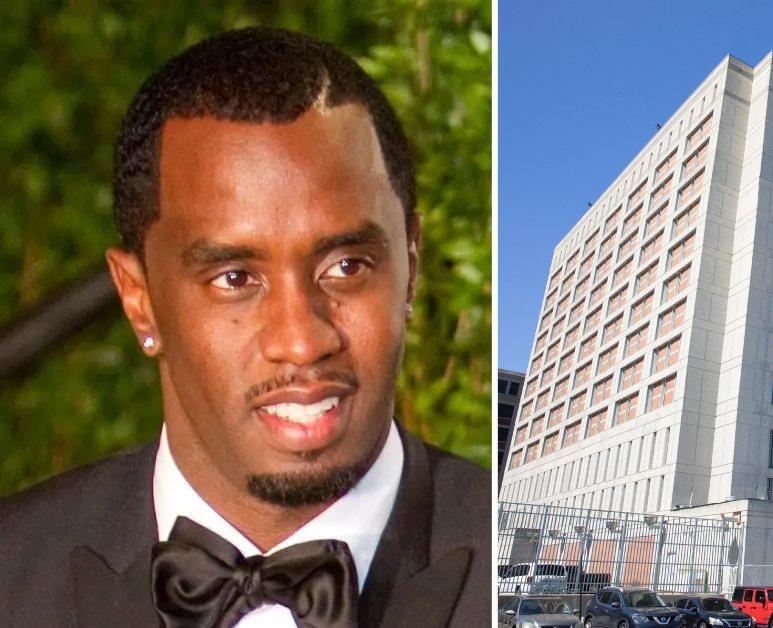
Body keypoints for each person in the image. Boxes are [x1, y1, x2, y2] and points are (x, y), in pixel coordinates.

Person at [0, 27, 488, 626]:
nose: (303, 341)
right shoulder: (13, 573)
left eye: (346, 266)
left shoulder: (509, 559)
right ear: (139, 299)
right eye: (234, 278)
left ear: (409, 265)